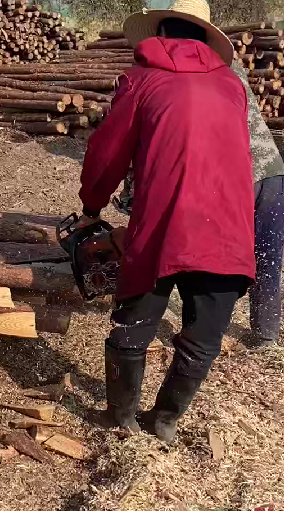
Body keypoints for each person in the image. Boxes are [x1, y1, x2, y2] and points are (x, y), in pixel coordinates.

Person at [77, 0, 256, 443]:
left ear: (160, 33)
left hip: (164, 224)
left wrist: (91, 207)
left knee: (133, 325)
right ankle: (164, 421)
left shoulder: (141, 80)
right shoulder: (232, 85)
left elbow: (108, 152)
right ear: (206, 40)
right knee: (202, 338)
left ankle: (120, 419)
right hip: (229, 228)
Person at [115, 61, 283, 349]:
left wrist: (133, 199)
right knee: (266, 258)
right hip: (272, 171)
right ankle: (265, 335)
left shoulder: (161, 79)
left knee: (209, 256)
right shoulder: (228, 69)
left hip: (234, 179)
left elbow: (146, 144)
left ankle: (201, 333)